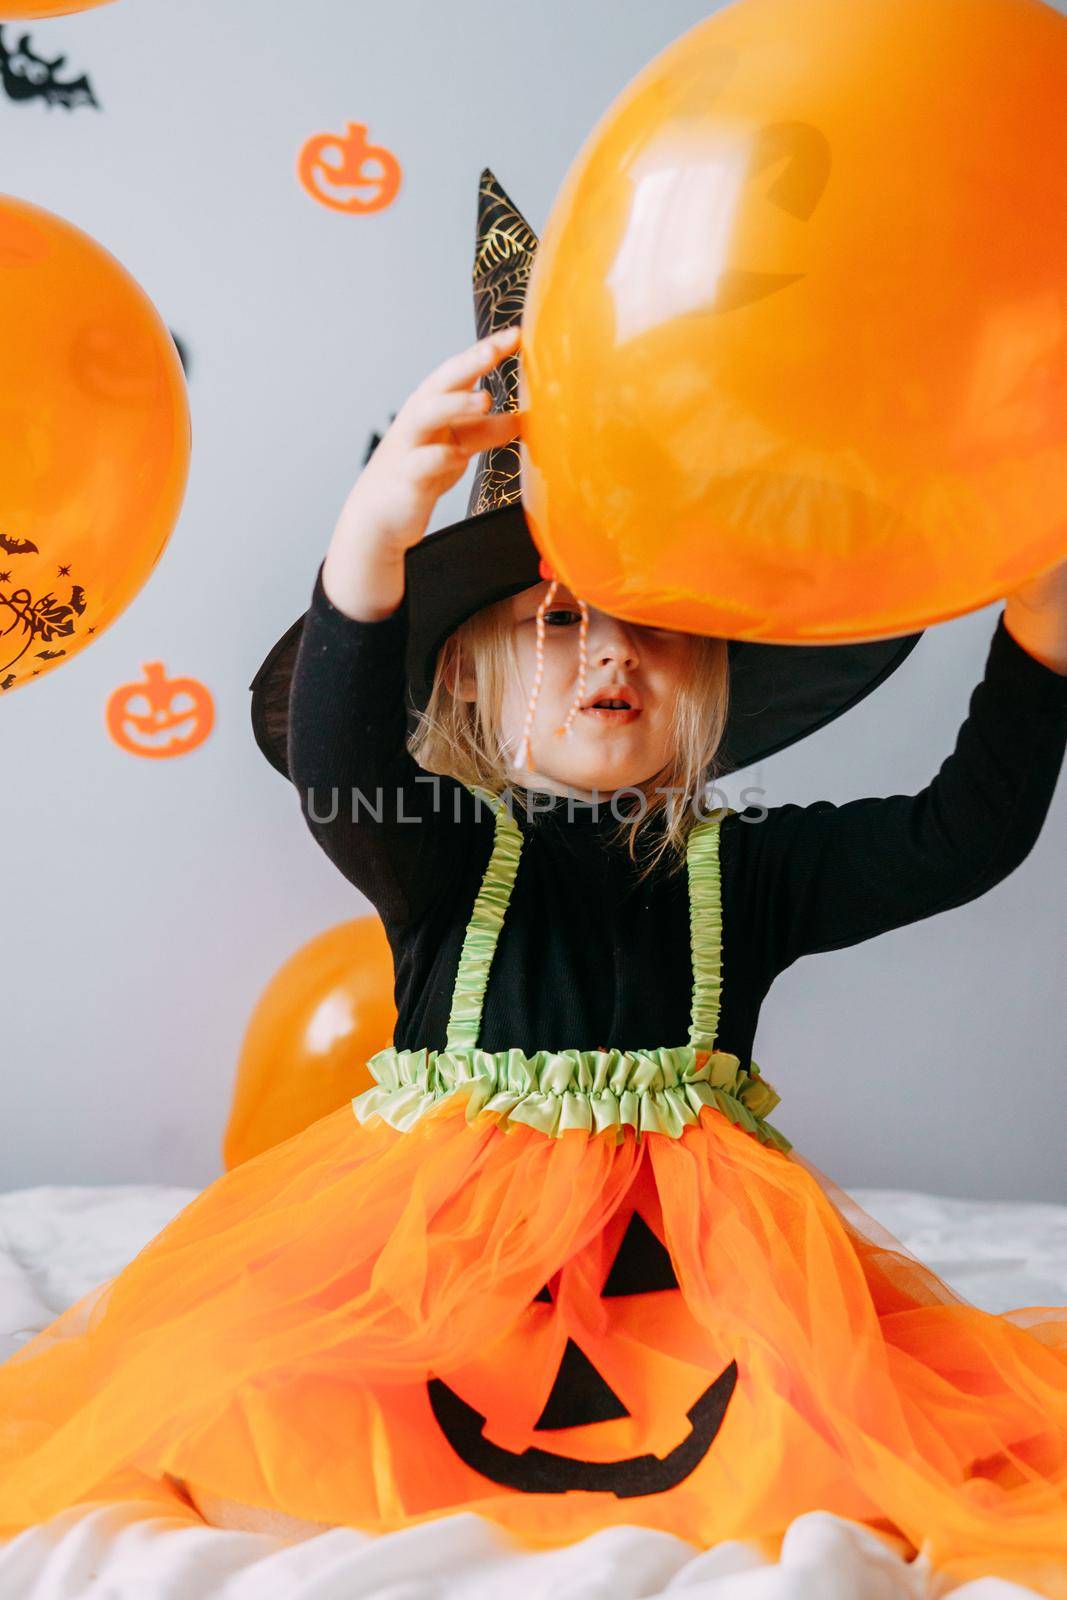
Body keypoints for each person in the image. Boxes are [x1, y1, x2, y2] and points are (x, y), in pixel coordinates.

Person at [1, 171, 1066, 1596]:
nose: (611, 657)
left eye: (654, 631)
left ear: (712, 674)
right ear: (476, 674)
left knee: (822, 1430)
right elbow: (337, 754)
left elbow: (963, 833)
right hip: (450, 1278)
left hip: (691, 1281)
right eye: (561, 623)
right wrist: (378, 529)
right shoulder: (438, 846)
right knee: (271, 1415)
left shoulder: (744, 868)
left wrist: (1043, 633)